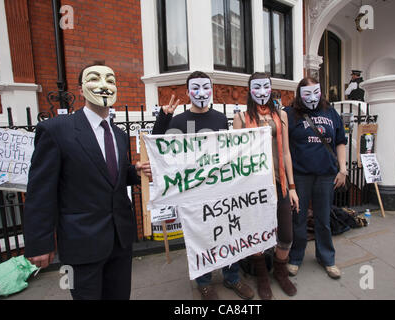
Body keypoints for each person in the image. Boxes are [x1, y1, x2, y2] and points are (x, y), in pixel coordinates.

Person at [23, 62, 144, 300]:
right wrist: (39, 243)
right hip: (81, 245)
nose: (103, 85)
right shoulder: (55, 130)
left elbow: (111, 178)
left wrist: (134, 171)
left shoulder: (119, 135)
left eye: (110, 80)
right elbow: (41, 191)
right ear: (80, 90)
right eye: (94, 79)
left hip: (120, 241)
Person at [142, 70, 254, 301]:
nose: (201, 93)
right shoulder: (178, 121)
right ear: (187, 91)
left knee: (228, 232)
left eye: (206, 87)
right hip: (193, 192)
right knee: (198, 236)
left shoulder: (220, 118)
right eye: (196, 88)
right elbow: (157, 146)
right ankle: (203, 282)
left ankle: (232, 276)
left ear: (212, 90)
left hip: (220, 190)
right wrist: (163, 118)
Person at [232, 72, 300, 300]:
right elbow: (237, 156)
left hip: (279, 183)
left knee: (287, 235)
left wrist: (292, 186)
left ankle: (280, 272)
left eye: (266, 87)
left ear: (271, 89)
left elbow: (286, 152)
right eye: (256, 87)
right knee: (257, 234)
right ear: (249, 90)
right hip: (254, 186)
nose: (262, 92)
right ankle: (262, 276)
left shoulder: (281, 115)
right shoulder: (240, 118)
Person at [285, 77, 347, 280]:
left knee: (323, 218)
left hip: (325, 174)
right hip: (300, 175)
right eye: (307, 93)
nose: (312, 98)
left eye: (316, 92)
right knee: (298, 219)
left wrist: (343, 169)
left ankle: (327, 258)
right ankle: (295, 257)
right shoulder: (290, 114)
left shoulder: (330, 112)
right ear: (299, 95)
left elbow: (340, 141)